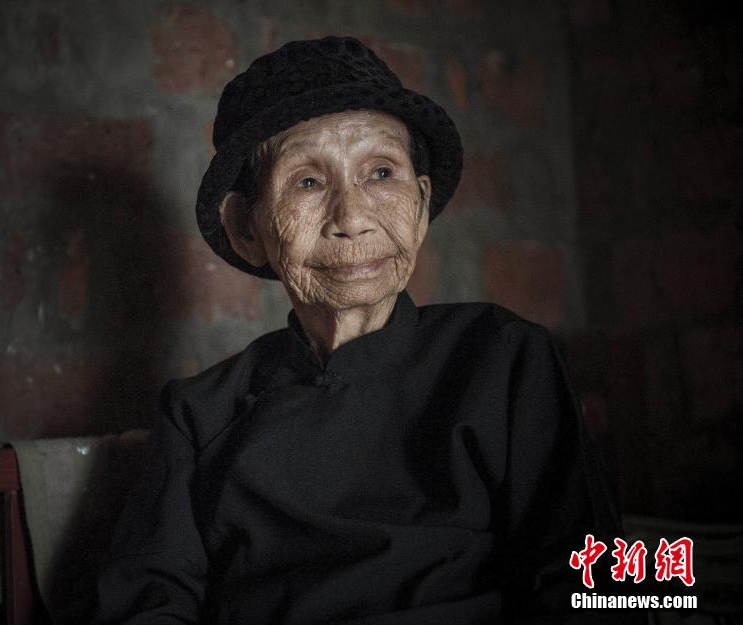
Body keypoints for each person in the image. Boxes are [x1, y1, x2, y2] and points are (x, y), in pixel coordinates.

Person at [94, 37, 643, 624]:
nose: (352, 219)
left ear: (420, 205)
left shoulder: (502, 359)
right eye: (308, 182)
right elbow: (146, 609)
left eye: (381, 172)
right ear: (247, 229)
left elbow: (590, 586)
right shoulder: (200, 416)